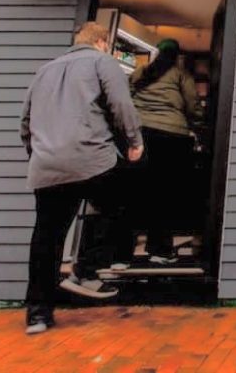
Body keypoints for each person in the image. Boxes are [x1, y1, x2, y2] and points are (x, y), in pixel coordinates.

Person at [19, 21, 144, 335]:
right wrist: (134, 141)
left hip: (46, 164)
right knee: (125, 206)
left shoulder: (44, 71)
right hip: (93, 159)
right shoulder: (103, 62)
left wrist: (39, 155)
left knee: (46, 237)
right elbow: (120, 105)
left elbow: (25, 122)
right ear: (103, 42)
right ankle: (87, 270)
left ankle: (38, 314)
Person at [125, 38, 203, 266]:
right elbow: (192, 105)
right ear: (177, 54)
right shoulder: (181, 74)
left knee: (137, 192)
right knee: (166, 193)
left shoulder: (141, 72)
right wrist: (199, 122)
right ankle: (160, 249)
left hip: (142, 135)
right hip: (172, 137)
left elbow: (126, 99)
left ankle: (123, 252)